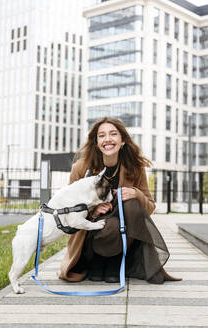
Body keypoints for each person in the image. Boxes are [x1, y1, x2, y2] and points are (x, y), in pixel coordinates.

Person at [58, 117, 181, 284]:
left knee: (131, 204)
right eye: (101, 135)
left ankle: (116, 262)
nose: (107, 139)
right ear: (96, 142)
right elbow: (69, 209)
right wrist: (92, 211)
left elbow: (150, 207)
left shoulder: (135, 167)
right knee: (110, 226)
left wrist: (136, 193)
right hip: (90, 236)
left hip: (122, 237)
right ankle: (95, 262)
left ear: (122, 141)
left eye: (113, 134)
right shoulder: (80, 168)